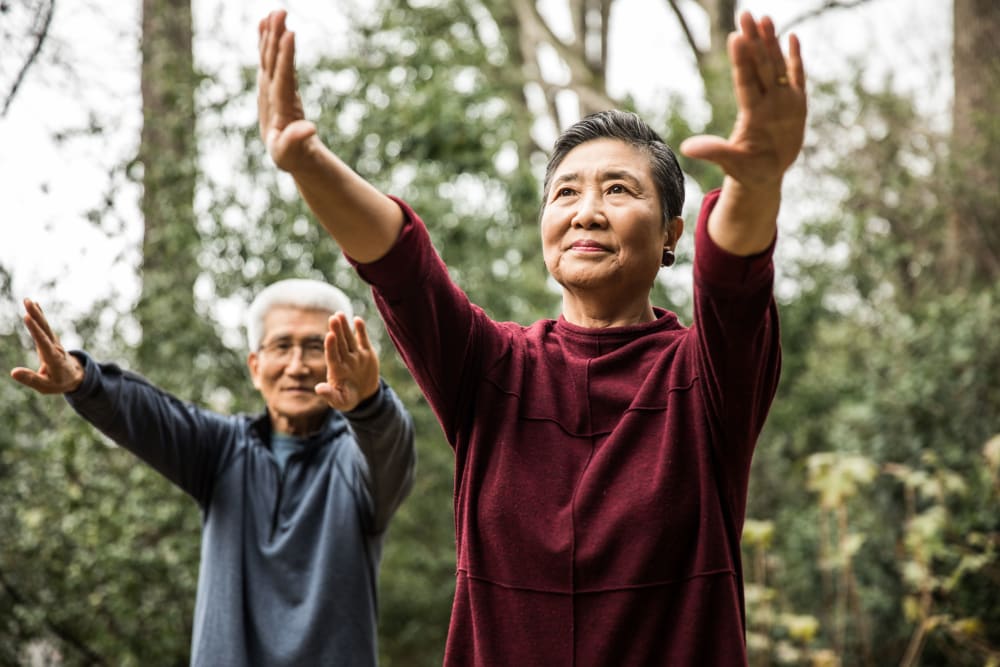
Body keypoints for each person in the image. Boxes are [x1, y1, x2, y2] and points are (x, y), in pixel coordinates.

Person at [257, 6, 805, 665]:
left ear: (670, 235)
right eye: (565, 192)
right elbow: (404, 268)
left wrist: (759, 183)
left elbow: (735, 286)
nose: (587, 211)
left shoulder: (704, 380)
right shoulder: (493, 370)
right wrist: (307, 161)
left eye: (619, 190)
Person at [10, 279, 416, 667]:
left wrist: (369, 403)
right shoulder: (223, 451)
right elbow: (152, 416)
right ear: (255, 367)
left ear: (340, 361)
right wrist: (83, 381)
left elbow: (389, 449)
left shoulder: (357, 463)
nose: (297, 366)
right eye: (281, 346)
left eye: (315, 347)